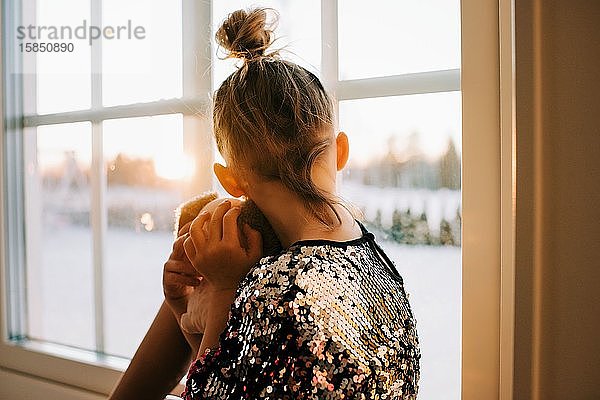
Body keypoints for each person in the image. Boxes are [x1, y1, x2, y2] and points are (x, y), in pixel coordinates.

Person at [110, 7, 420, 400]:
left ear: (231, 180)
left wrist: (223, 289)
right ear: (340, 151)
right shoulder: (372, 257)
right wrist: (185, 314)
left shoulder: (278, 290)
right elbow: (240, 376)